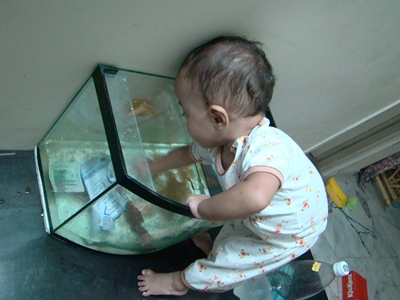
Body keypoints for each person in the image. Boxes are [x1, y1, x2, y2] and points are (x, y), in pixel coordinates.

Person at [137, 36, 328, 297]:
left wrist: (204, 209)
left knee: (226, 268)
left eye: (186, 114)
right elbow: (188, 154)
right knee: (232, 236)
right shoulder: (220, 140)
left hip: (288, 235)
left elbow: (256, 196)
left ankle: (178, 283)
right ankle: (214, 248)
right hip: (261, 217)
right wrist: (152, 166)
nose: (184, 120)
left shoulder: (265, 149)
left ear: (217, 118)